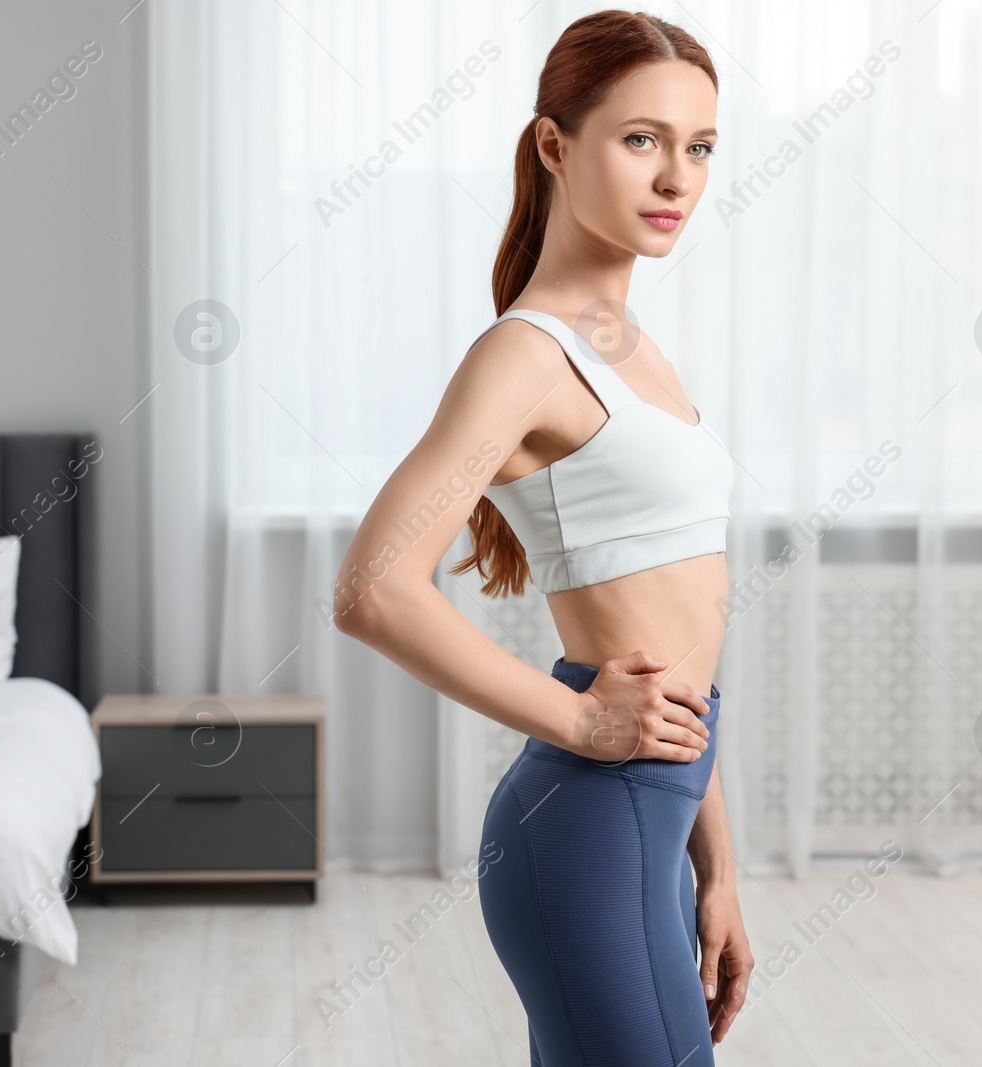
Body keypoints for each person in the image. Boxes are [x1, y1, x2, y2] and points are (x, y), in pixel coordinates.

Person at [333, 10, 752, 1065]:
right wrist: (580, 716)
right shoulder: (525, 352)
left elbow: (680, 656)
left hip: (654, 811)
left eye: (699, 147)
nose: (677, 178)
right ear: (555, 145)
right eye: (641, 139)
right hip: (589, 824)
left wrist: (720, 867)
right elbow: (371, 589)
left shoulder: (632, 346)